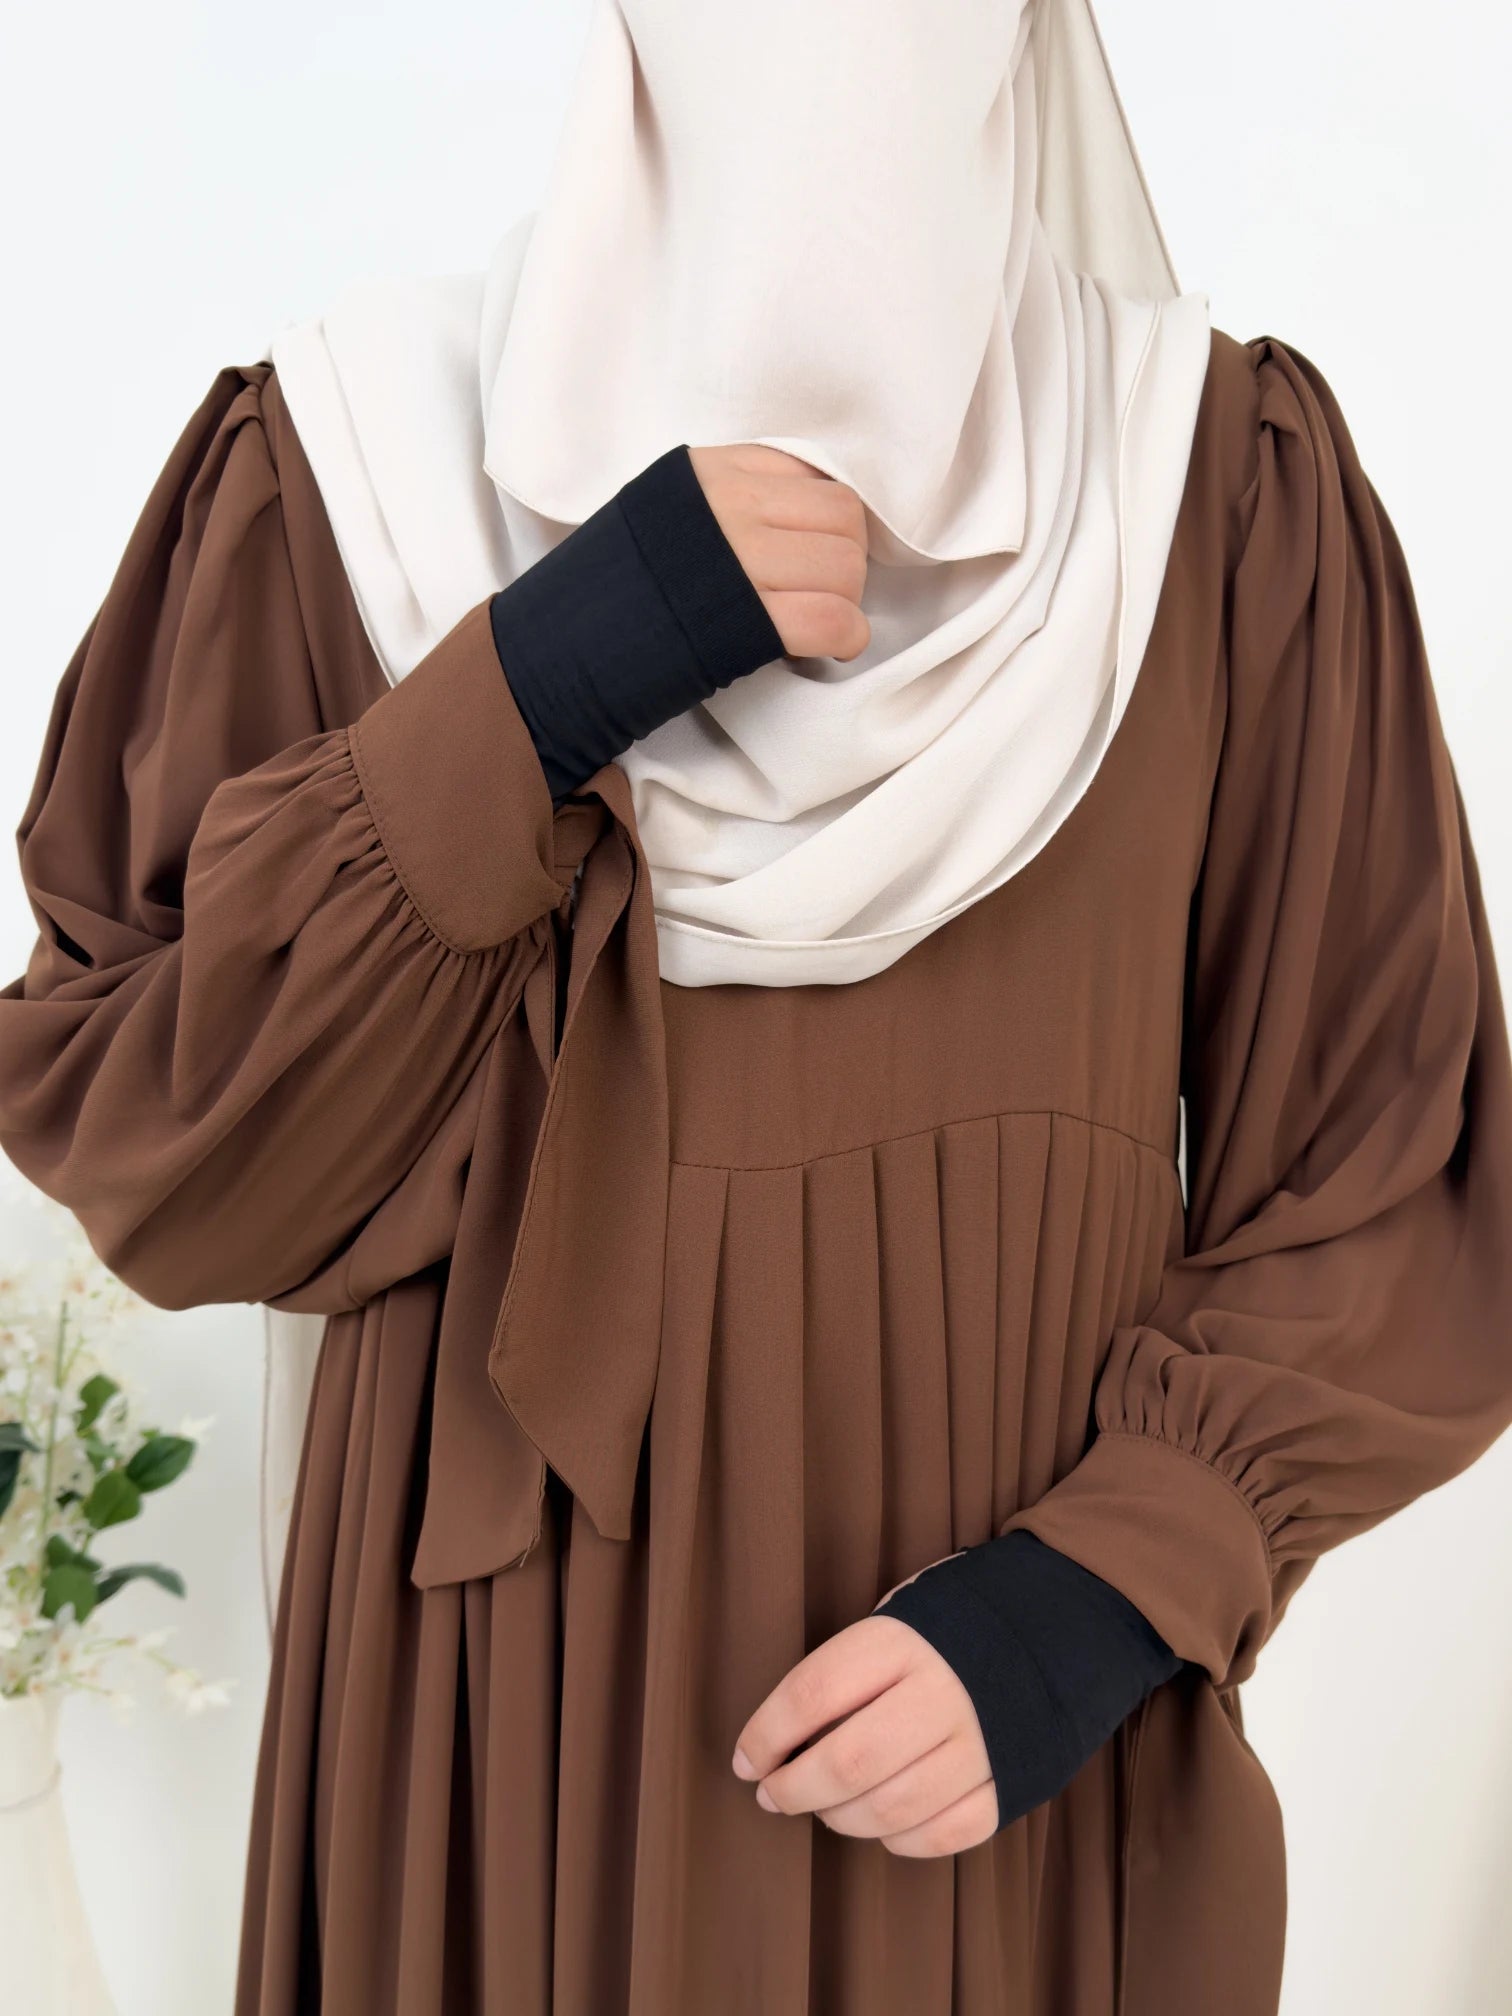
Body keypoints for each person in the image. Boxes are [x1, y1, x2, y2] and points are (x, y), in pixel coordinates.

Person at [3, 2, 1510, 2012]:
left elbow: (1388, 1169)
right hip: (496, 1763)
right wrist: (540, 678)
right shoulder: (353, 469)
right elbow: (162, 1149)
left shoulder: (1209, 494)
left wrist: (1090, 1601)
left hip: (986, 1792)